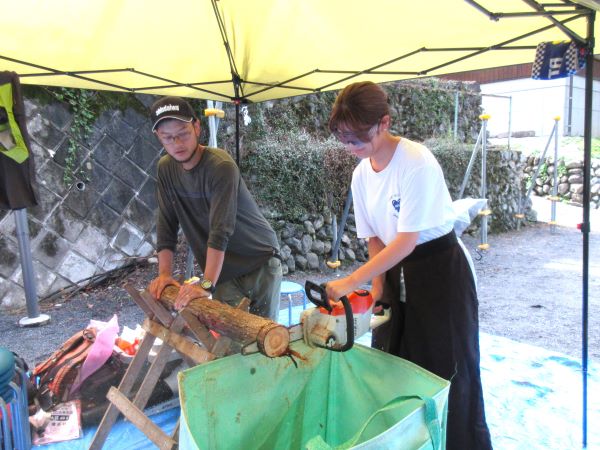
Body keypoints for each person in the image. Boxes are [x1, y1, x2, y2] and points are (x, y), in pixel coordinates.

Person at [325, 82, 492, 450]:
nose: (351, 147)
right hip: (394, 267)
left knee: (447, 371)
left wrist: (351, 281)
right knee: (391, 362)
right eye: (343, 139)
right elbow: (375, 238)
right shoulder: (360, 174)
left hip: (439, 270)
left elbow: (406, 240)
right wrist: (378, 288)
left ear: (383, 123)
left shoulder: (415, 160)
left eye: (357, 138)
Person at [147, 96, 282, 320]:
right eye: (168, 138)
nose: (177, 144)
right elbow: (166, 223)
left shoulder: (220, 166)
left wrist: (206, 284)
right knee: (230, 338)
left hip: (258, 260)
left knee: (265, 339)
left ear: (197, 127)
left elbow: (221, 230)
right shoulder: (166, 169)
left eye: (183, 133)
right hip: (224, 271)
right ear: (158, 137)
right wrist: (164, 274)